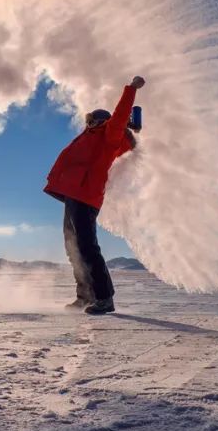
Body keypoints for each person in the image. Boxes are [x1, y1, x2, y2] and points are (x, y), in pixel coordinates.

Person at [44, 76, 145, 314]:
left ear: (102, 121)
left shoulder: (108, 136)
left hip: (85, 196)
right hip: (73, 195)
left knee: (87, 247)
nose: (88, 123)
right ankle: (85, 295)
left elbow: (119, 117)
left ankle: (104, 298)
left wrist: (131, 89)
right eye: (88, 120)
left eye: (92, 120)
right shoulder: (88, 136)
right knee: (73, 248)